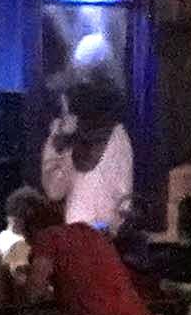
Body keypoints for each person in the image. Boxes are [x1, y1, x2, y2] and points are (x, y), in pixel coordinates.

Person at [15, 190, 165, 315]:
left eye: (26, 237)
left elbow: (33, 293)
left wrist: (22, 281)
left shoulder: (47, 237)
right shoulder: (92, 233)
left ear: (32, 229)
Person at [38, 73, 137, 232]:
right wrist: (58, 150)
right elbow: (54, 192)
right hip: (75, 236)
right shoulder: (64, 140)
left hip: (108, 238)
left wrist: (113, 231)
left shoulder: (117, 138)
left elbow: (124, 199)